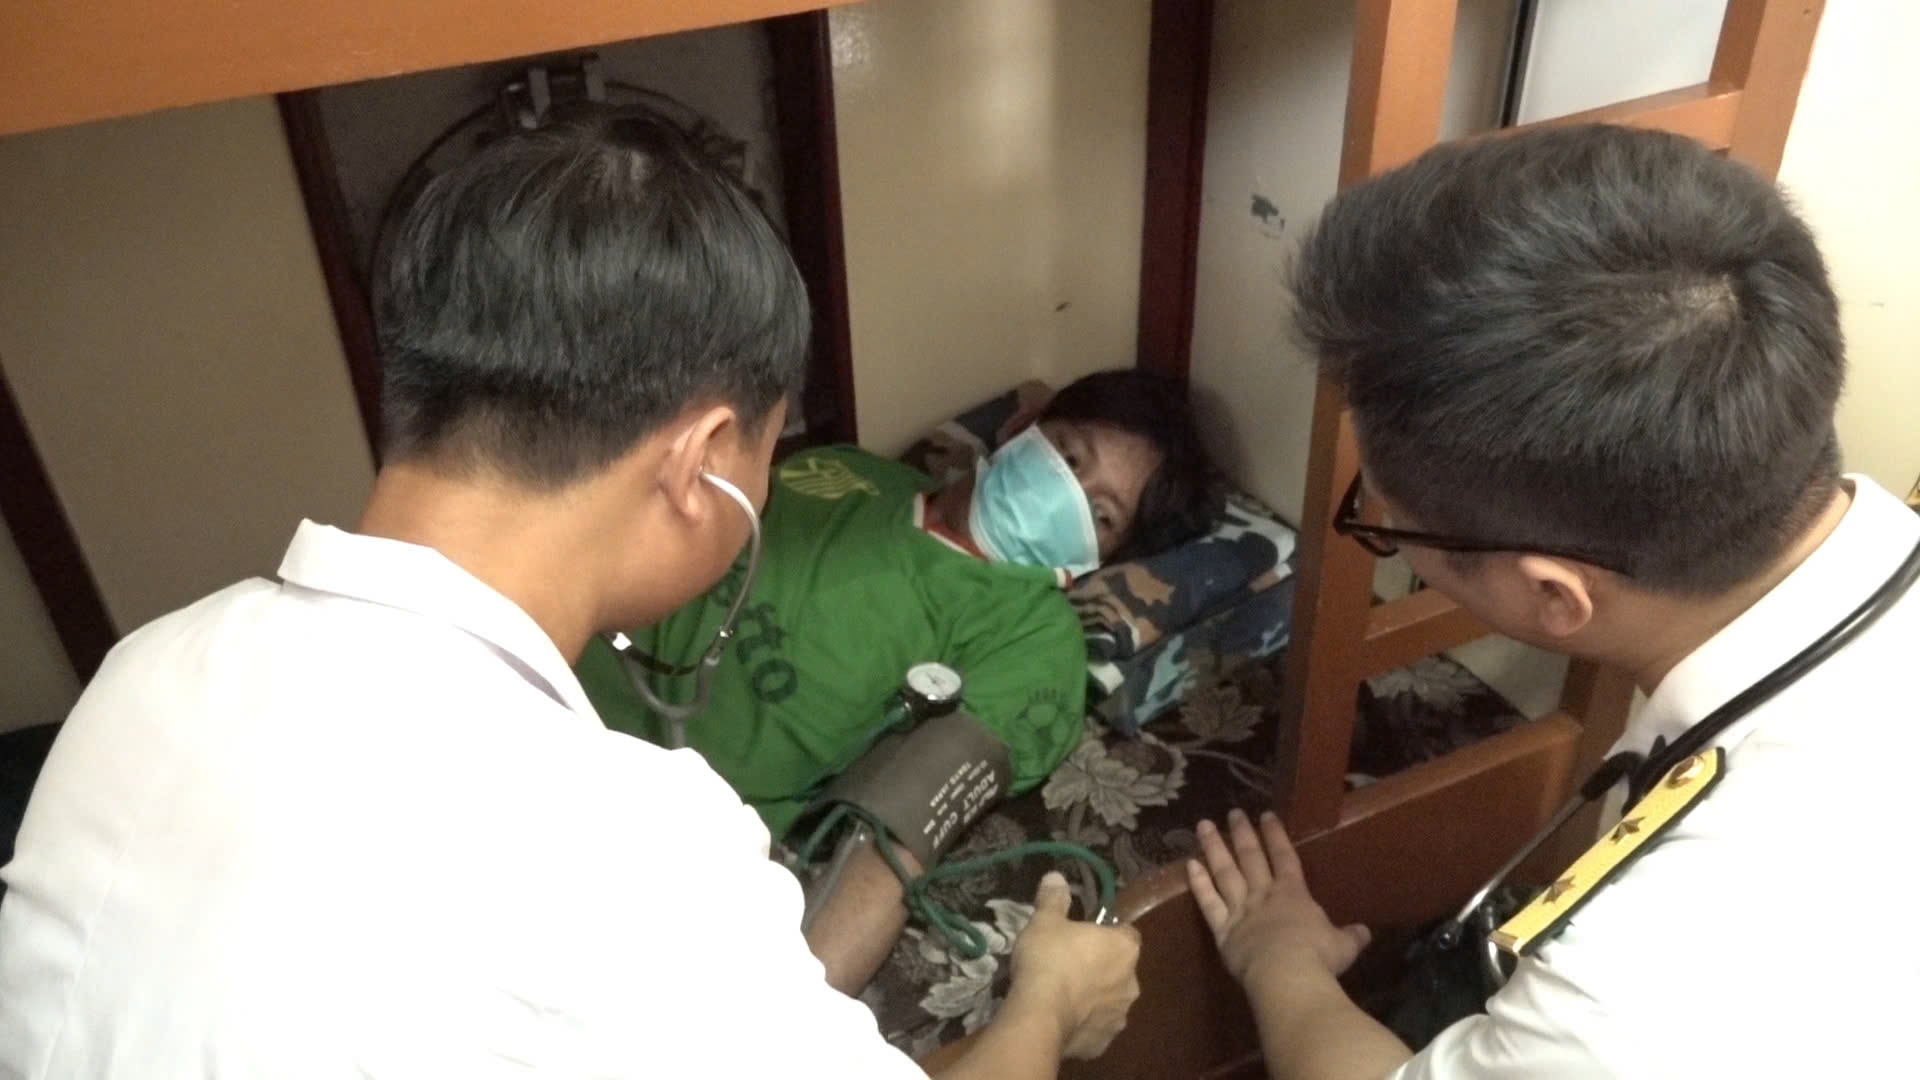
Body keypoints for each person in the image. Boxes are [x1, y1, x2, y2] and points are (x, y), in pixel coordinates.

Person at [0, 107, 1141, 1078]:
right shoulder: (635, 856)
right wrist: (1047, 1005)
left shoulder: (145, 670)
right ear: (700, 462)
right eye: (768, 451)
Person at [1186, 124, 1917, 1077]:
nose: (1377, 530)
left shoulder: (1644, 998)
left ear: (1552, 597)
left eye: (1385, 526)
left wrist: (1279, 962)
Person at [576, 367, 1221, 993]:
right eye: (1072, 459)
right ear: (1026, 426)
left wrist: (787, 1029)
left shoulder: (1036, 642)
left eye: (1101, 515)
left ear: (1098, 559)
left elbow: (896, 846)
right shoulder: (856, 470)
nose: (1067, 496)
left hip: (621, 824)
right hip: (540, 674)